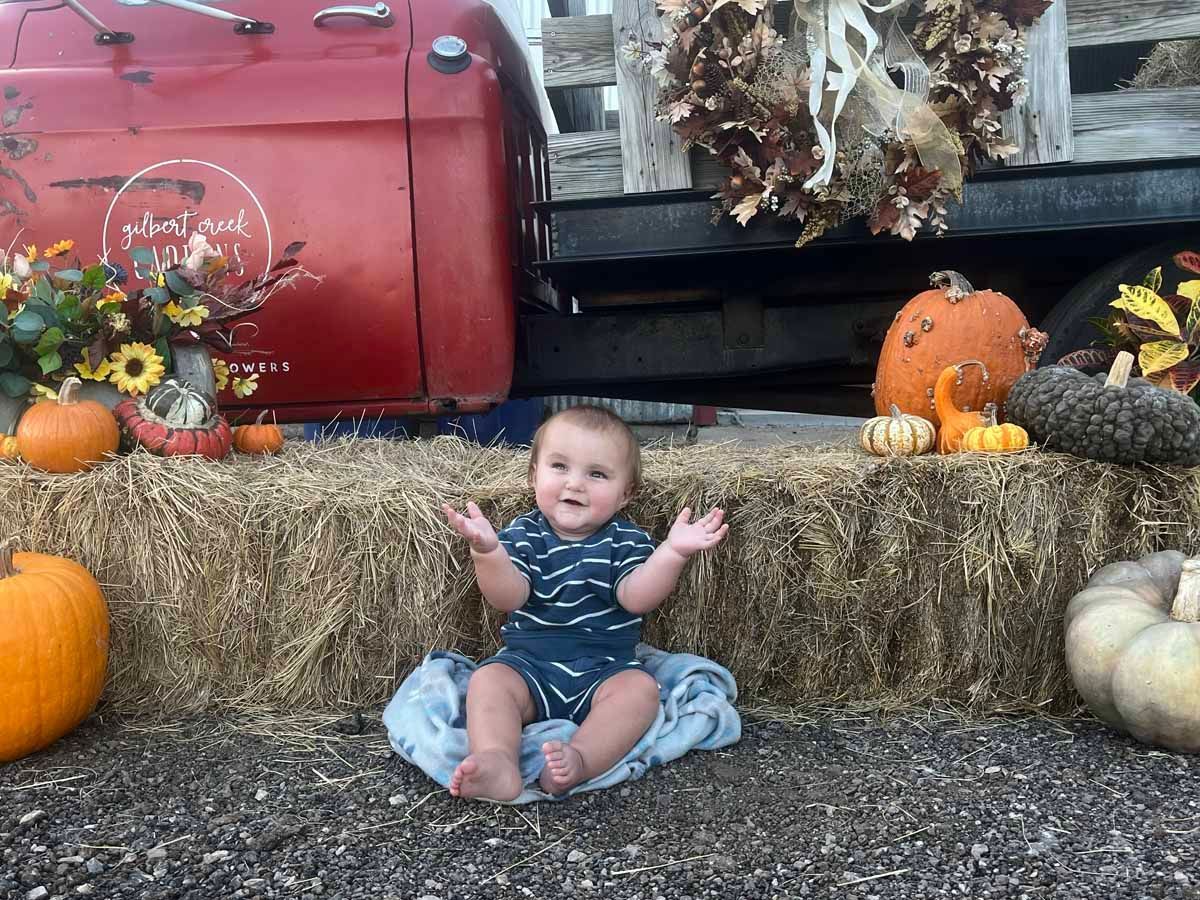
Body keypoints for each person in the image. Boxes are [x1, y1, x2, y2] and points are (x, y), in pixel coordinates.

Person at [441, 405, 729, 801]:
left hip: (605, 670)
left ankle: (580, 760)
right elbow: (508, 596)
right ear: (533, 475)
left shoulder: (625, 541)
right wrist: (487, 553)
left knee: (641, 691)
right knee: (488, 682)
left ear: (625, 493)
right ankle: (496, 760)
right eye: (559, 466)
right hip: (529, 666)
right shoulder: (522, 536)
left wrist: (672, 552)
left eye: (597, 474)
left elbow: (635, 599)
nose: (575, 484)